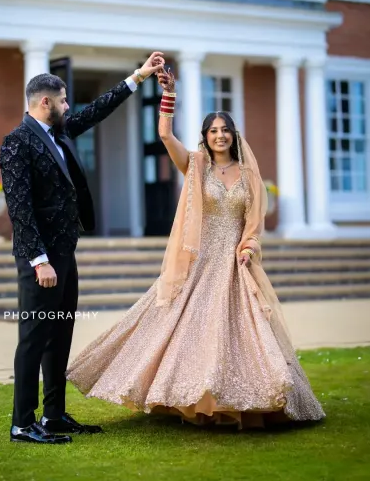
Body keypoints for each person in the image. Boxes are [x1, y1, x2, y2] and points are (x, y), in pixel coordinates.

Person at [66, 67, 325, 429]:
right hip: (199, 261)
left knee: (238, 331)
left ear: (234, 136)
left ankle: (252, 396)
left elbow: (254, 224)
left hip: (235, 263)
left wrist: (248, 247)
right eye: (213, 131)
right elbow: (164, 134)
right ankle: (182, 394)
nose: (220, 136)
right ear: (205, 137)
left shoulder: (249, 175)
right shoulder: (195, 166)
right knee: (181, 326)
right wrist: (168, 95)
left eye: (225, 131)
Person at [0, 52, 165, 444]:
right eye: (64, 100)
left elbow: (96, 111)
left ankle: (53, 415)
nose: (69, 106)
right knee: (33, 338)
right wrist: (39, 260)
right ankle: (22, 423)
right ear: (46, 103)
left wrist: (138, 77)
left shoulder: (60, 133)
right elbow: (20, 209)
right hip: (40, 259)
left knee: (59, 334)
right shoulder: (16, 143)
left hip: (64, 254)